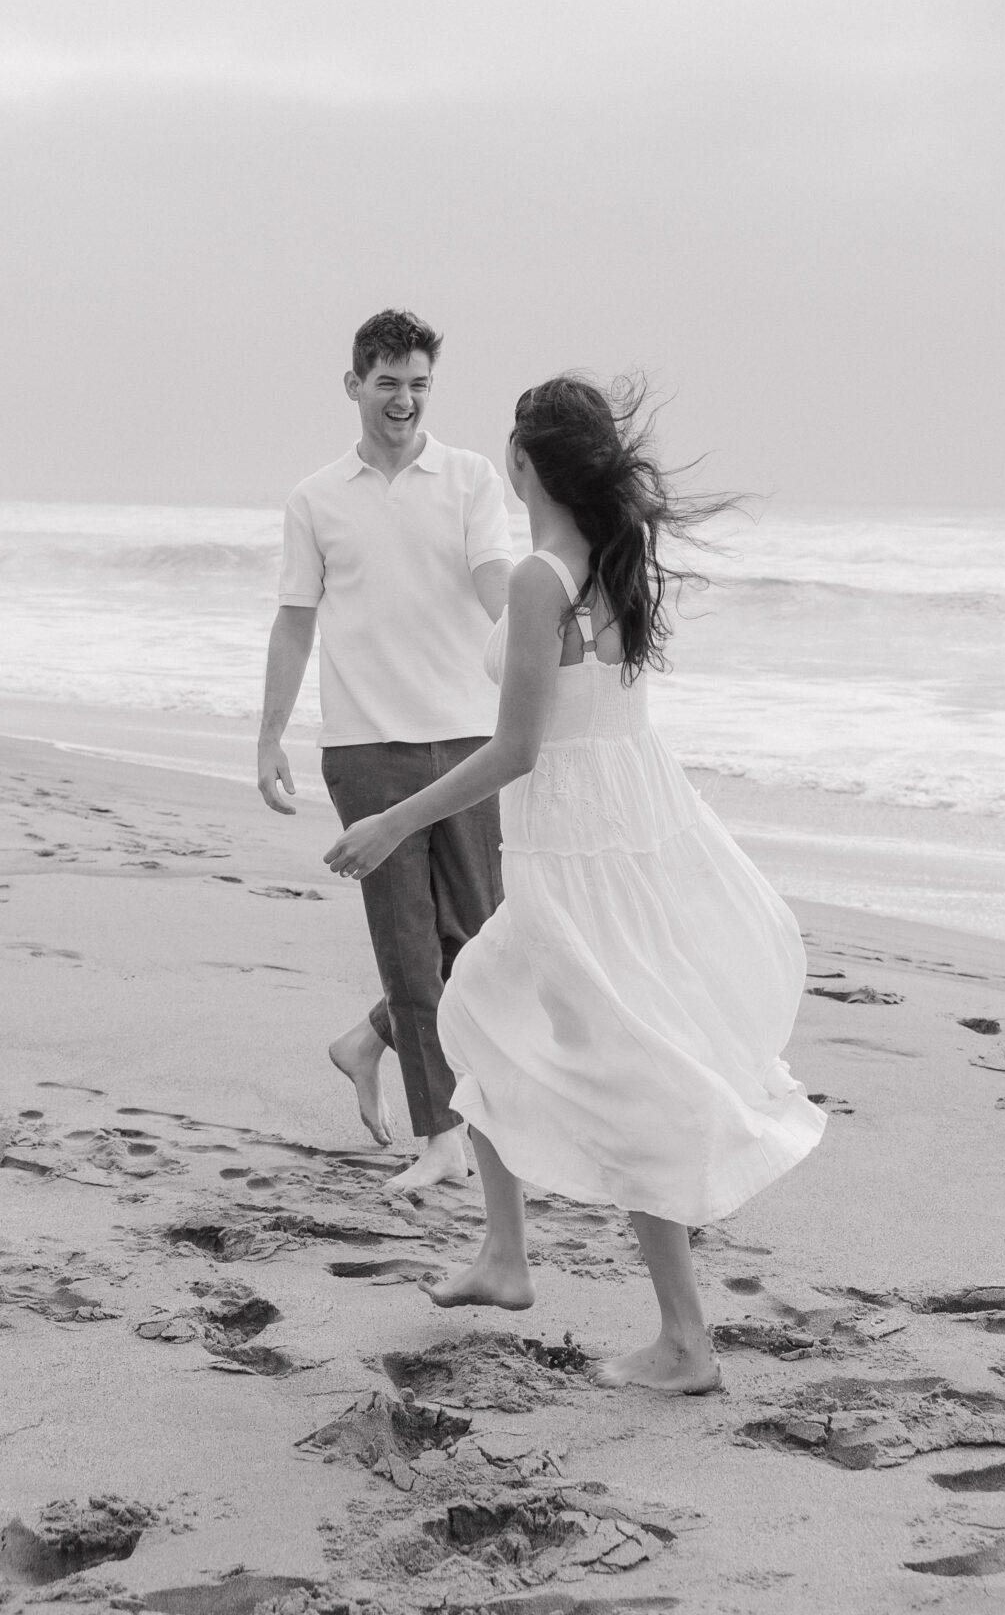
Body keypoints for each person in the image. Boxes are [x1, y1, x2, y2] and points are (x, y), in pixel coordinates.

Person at [324, 372, 825, 1391]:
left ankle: (683, 1339)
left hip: (572, 854)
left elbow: (515, 749)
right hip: (636, 832)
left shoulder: (540, 579)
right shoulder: (616, 561)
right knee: (483, 1015)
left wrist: (391, 822)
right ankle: (506, 1257)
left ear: (520, 463)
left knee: (614, 1068)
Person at [258, 307, 515, 1197]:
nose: (403, 400)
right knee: (410, 948)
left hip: (469, 738)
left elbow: (493, 580)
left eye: (418, 385)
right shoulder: (315, 497)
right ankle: (439, 1137)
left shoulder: (472, 479)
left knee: (476, 944)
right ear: (354, 385)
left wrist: (538, 643)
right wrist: (270, 735)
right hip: (366, 746)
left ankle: (368, 1039)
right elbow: (294, 620)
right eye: (387, 384)